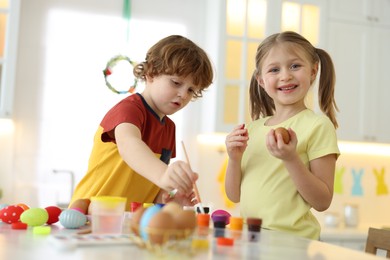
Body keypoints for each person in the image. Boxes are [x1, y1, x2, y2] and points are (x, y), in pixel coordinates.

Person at [70, 35, 214, 211]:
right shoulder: (129, 109)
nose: (183, 94)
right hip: (88, 215)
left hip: (128, 223)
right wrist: (164, 175)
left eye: (191, 90)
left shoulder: (169, 128)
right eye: (176, 83)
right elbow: (129, 145)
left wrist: (169, 197)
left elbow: (151, 188)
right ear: (151, 73)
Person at [224, 31, 340, 240]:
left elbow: (322, 202)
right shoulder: (252, 129)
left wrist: (291, 158)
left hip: (293, 243)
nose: (285, 75)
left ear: (313, 71)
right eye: (274, 69)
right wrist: (234, 158)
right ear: (261, 80)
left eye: (295, 66)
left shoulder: (318, 126)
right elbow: (234, 195)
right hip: (251, 239)